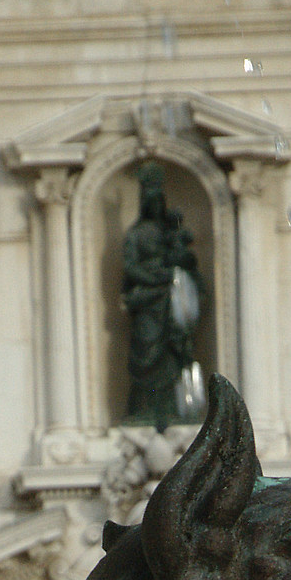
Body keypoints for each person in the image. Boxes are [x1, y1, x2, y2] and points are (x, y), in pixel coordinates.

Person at [121, 162, 205, 426]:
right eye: (150, 200)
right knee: (147, 357)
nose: (155, 205)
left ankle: (174, 408)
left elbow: (186, 263)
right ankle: (146, 410)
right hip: (148, 303)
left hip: (171, 301)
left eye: (159, 200)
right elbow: (130, 267)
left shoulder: (170, 232)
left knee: (175, 357)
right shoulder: (135, 234)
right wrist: (159, 277)